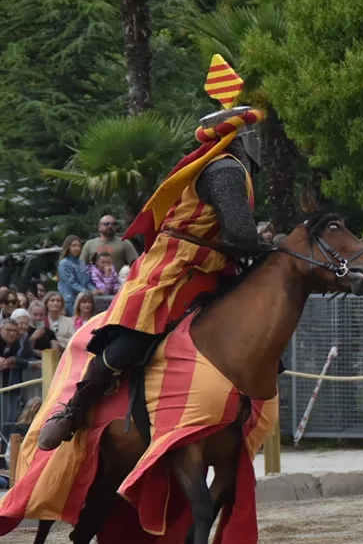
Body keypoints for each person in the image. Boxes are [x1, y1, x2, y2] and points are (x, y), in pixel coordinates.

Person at [38, 104, 265, 451]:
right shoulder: (225, 170)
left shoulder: (228, 169)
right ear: (239, 137)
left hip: (213, 267)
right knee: (135, 337)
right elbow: (241, 235)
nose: (258, 142)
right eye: (254, 134)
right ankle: (73, 410)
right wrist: (270, 252)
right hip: (176, 268)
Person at [57, 235, 94, 317]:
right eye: (74, 246)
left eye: (79, 246)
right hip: (69, 300)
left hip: (83, 300)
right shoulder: (64, 263)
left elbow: (87, 281)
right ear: (68, 247)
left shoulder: (81, 263)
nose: (77, 248)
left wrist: (94, 290)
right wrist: (87, 292)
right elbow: (71, 283)